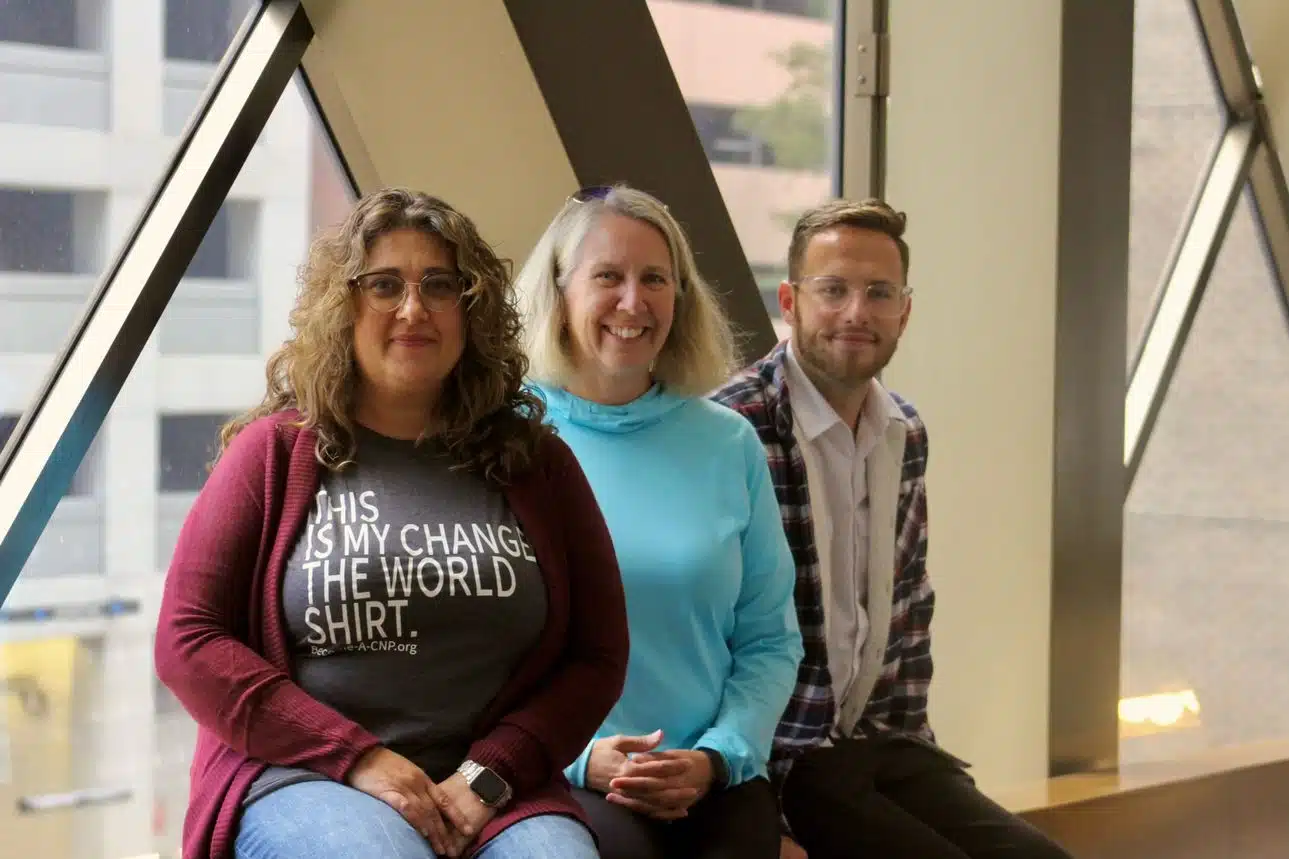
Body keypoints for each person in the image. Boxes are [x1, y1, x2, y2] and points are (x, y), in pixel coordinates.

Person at [154, 188, 630, 859]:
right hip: (307, 774)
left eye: (440, 284)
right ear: (342, 307)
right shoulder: (273, 452)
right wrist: (356, 755)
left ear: (471, 311)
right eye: (383, 285)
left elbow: (597, 653)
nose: (413, 308)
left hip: (492, 791)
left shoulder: (536, 462)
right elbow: (188, 639)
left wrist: (490, 773)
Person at [712, 199, 1075, 859]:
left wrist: (920, 767)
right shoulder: (729, 431)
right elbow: (694, 635)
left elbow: (906, 608)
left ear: (903, 309)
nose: (856, 312)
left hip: (873, 741)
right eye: (833, 290)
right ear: (790, 300)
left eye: (878, 292)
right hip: (777, 754)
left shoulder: (902, 431)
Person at [512, 184, 804, 859]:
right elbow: (472, 650)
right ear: (559, 293)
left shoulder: (728, 443)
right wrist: (583, 759)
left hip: (711, 773)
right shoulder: (504, 438)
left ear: (681, 298)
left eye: (654, 279)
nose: (632, 302)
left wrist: (716, 755)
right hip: (561, 772)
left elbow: (770, 641)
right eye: (607, 276)